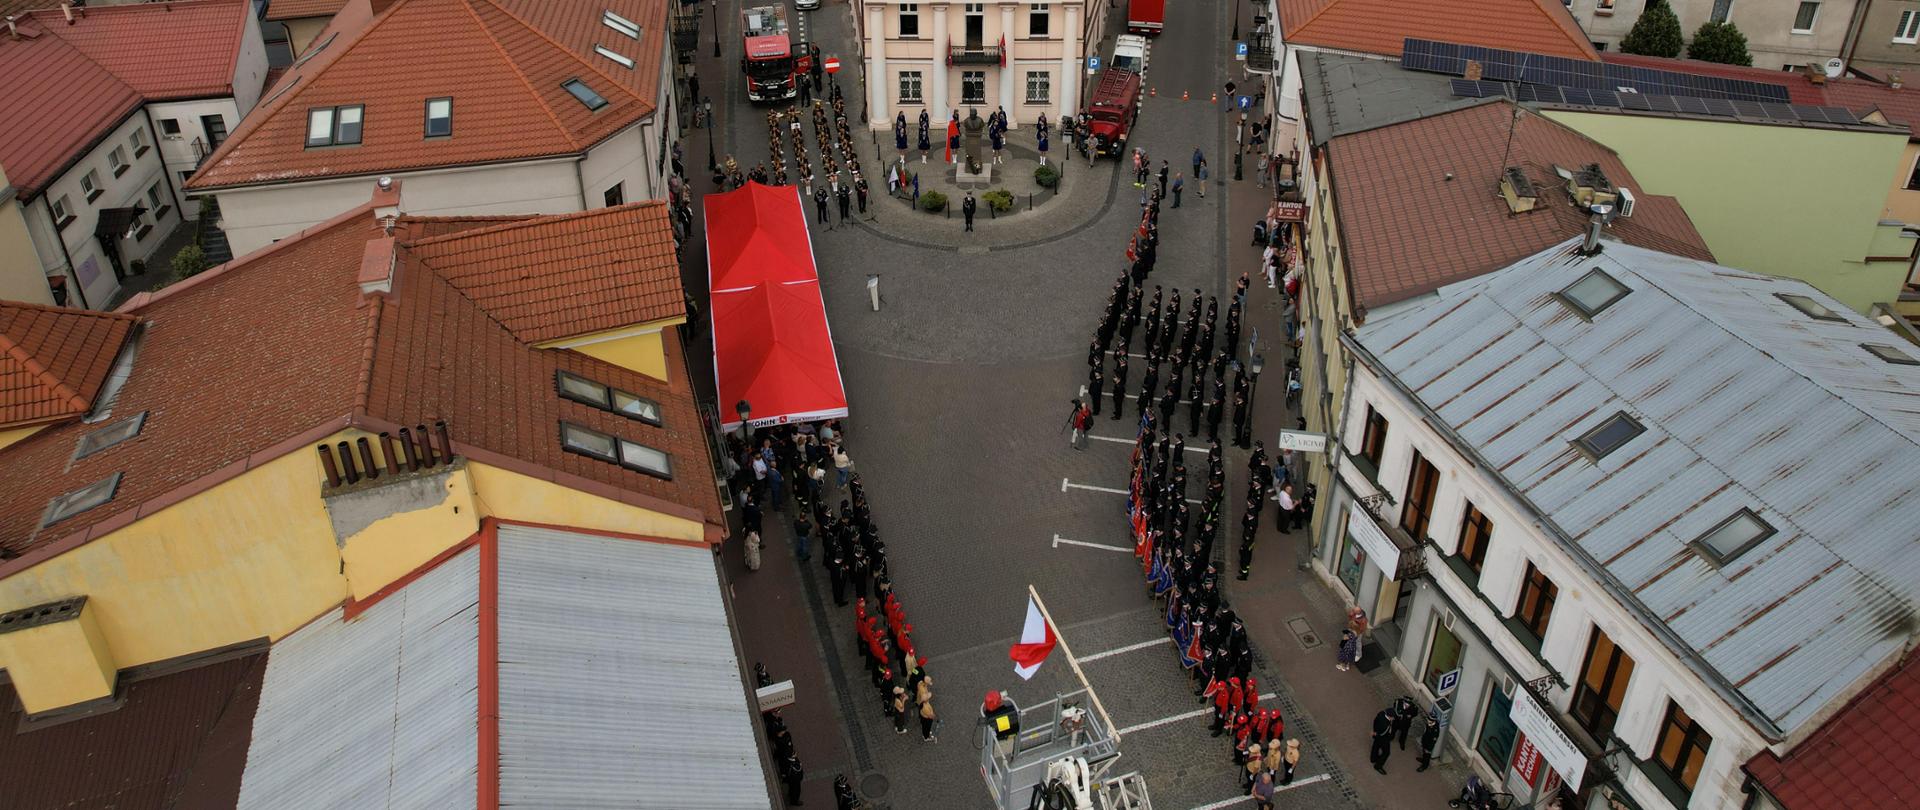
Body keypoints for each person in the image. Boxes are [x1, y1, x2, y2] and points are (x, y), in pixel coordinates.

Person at [1370, 706, 1395, 774]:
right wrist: (1390, 735)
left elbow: (1375, 721)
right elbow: (1384, 734)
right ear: (1389, 716)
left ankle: (1373, 758)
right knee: (1386, 753)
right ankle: (1378, 766)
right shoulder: (1386, 726)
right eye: (1393, 717)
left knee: (1376, 746)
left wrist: (1375, 732)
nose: (1393, 719)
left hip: (1376, 734)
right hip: (1383, 739)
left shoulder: (1381, 713)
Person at [1418, 707, 1441, 771]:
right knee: (1424, 753)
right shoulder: (1429, 724)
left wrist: (1429, 749)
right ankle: (1423, 760)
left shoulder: (1435, 729)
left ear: (1433, 721)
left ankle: (1424, 766)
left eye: (1429, 720)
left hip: (1429, 745)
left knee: (1427, 755)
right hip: (1425, 741)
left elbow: (1433, 740)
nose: (1428, 721)